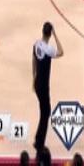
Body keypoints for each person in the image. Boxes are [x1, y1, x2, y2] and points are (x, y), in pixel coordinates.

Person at [32, 22, 63, 155]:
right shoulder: (48, 49)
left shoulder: (36, 44)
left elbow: (33, 60)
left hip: (37, 82)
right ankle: (39, 143)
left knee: (44, 111)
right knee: (46, 113)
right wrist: (56, 35)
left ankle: (38, 139)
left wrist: (33, 77)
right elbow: (61, 52)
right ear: (50, 34)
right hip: (44, 86)